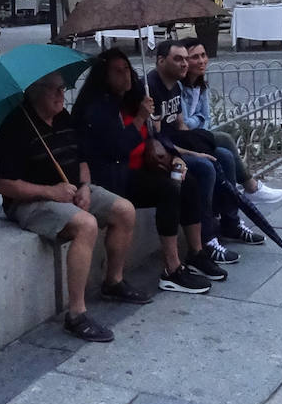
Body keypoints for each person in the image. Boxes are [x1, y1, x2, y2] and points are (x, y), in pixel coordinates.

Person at [0, 72, 148, 344]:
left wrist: (85, 187)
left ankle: (113, 282)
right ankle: (76, 314)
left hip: (73, 190)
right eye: (54, 90)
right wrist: (49, 191)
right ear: (35, 92)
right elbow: (4, 185)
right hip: (31, 201)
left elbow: (82, 160)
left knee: (125, 210)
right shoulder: (16, 127)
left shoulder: (64, 119)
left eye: (62, 88)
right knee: (85, 225)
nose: (61, 95)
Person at [72, 49, 221, 291]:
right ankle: (171, 268)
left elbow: (157, 137)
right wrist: (140, 118)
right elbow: (115, 149)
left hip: (140, 168)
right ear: (104, 76)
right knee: (168, 189)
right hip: (114, 177)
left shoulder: (134, 99)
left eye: (127, 70)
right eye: (118, 72)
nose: (126, 77)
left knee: (188, 181)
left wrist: (173, 157)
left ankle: (196, 251)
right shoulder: (97, 109)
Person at [146, 41, 260, 260]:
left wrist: (195, 145)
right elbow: (158, 141)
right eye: (178, 59)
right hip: (162, 155)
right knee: (204, 167)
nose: (184, 64)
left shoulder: (174, 86)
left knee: (224, 156)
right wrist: (194, 154)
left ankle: (230, 223)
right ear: (161, 61)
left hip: (176, 145)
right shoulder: (152, 89)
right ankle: (207, 239)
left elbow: (181, 126)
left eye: (184, 59)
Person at [178, 38, 282, 205]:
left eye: (203, 55)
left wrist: (199, 125)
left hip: (198, 135)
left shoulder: (200, 86)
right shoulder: (178, 87)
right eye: (195, 57)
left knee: (225, 154)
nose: (201, 61)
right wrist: (198, 120)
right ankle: (251, 187)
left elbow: (206, 119)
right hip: (183, 139)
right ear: (185, 60)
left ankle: (234, 207)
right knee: (224, 139)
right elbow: (184, 122)